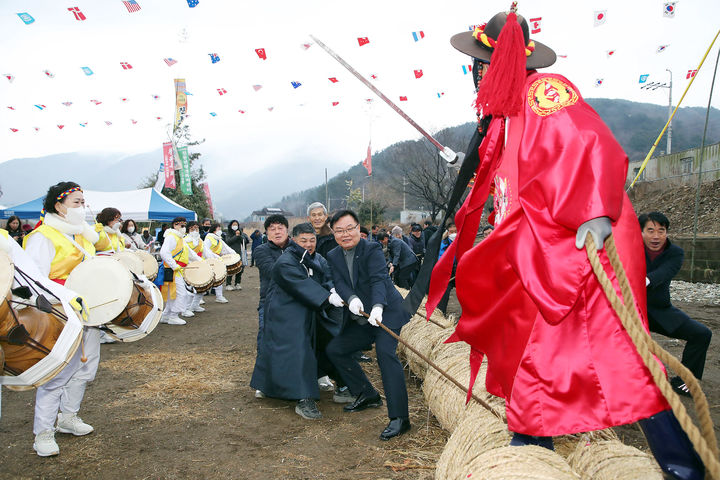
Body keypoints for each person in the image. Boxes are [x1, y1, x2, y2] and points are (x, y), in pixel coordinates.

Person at [428, 6, 703, 478]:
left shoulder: (545, 92)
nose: (473, 75)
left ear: (497, 65)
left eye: (478, 65)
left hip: (578, 247)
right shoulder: (509, 114)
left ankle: (682, 468)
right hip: (537, 251)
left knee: (613, 355)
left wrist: (596, 211)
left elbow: (589, 143)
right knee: (535, 351)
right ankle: (532, 443)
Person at [22, 181, 101, 457]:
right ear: (59, 206)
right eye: (77, 203)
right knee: (55, 375)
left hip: (88, 312)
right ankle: (43, 432)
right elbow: (34, 280)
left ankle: (68, 417)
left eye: (83, 201)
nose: (83, 207)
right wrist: (66, 296)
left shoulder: (79, 236)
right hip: (59, 314)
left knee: (85, 369)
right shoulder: (42, 236)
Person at [325, 209, 411, 440]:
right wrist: (351, 299)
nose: (345, 234)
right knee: (336, 349)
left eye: (349, 228)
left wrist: (378, 307)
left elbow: (378, 280)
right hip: (361, 317)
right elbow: (340, 283)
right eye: (339, 230)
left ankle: (400, 418)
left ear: (358, 228)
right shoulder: (332, 255)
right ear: (333, 233)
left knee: (385, 355)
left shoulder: (371, 249)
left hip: (388, 313)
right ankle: (367, 393)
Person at [250, 222, 344, 419]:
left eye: (312, 240)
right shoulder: (286, 261)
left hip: (310, 309)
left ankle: (344, 384)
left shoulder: (316, 258)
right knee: (295, 350)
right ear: (293, 240)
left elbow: (327, 276)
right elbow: (299, 283)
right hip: (285, 312)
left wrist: (334, 289)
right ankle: (303, 397)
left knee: (329, 341)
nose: (309, 244)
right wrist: (327, 298)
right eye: (304, 241)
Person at [640, 212, 712, 397]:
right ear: (640, 232)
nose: (656, 236)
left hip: (660, 311)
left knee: (702, 334)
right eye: (650, 230)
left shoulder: (675, 253)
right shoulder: (629, 248)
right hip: (631, 310)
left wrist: (645, 280)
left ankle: (685, 382)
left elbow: (665, 272)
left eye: (661, 231)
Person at [252, 215, 290, 363]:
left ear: (287, 230)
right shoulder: (261, 251)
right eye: (272, 229)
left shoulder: (297, 247)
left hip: (296, 301)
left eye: (280, 228)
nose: (277, 232)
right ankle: (263, 377)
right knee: (266, 336)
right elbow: (273, 272)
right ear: (267, 233)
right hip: (270, 301)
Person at [159, 217, 201, 325]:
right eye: (181, 226)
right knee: (180, 293)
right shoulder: (171, 237)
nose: (183, 228)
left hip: (177, 270)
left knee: (173, 294)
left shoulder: (180, 238)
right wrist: (174, 265)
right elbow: (164, 253)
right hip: (172, 270)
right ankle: (173, 316)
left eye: (184, 226)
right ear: (175, 225)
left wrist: (201, 261)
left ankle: (166, 315)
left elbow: (190, 253)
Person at [184, 221, 215, 315]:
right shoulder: (184, 240)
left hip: (200, 266)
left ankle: (195, 305)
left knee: (201, 288)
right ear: (188, 229)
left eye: (197, 228)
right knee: (189, 290)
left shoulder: (200, 241)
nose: (195, 230)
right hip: (189, 267)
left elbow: (207, 252)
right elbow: (188, 255)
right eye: (192, 228)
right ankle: (186, 308)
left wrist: (214, 260)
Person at [204, 223, 234, 303]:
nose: (220, 231)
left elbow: (226, 248)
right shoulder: (209, 238)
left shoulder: (218, 239)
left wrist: (233, 254)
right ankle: (197, 300)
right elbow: (206, 251)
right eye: (218, 229)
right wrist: (215, 257)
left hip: (217, 261)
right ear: (214, 230)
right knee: (205, 281)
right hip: (209, 261)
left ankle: (219, 296)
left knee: (219, 279)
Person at [225, 219, 249, 291]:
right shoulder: (228, 233)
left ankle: (237, 283)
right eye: (233, 225)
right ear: (231, 225)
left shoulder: (240, 233)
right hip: (231, 254)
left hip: (240, 253)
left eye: (236, 225)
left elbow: (244, 241)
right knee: (231, 269)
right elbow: (228, 242)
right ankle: (228, 284)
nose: (235, 226)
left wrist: (240, 236)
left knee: (240, 269)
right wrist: (236, 236)